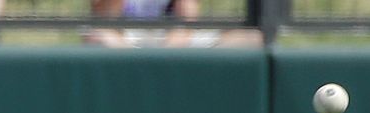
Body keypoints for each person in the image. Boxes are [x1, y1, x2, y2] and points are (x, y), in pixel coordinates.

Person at [85, 0, 263, 48]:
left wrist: (162, 60)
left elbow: (185, 29)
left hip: (172, 43)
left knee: (250, 38)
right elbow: (106, 23)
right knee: (96, 38)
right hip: (126, 41)